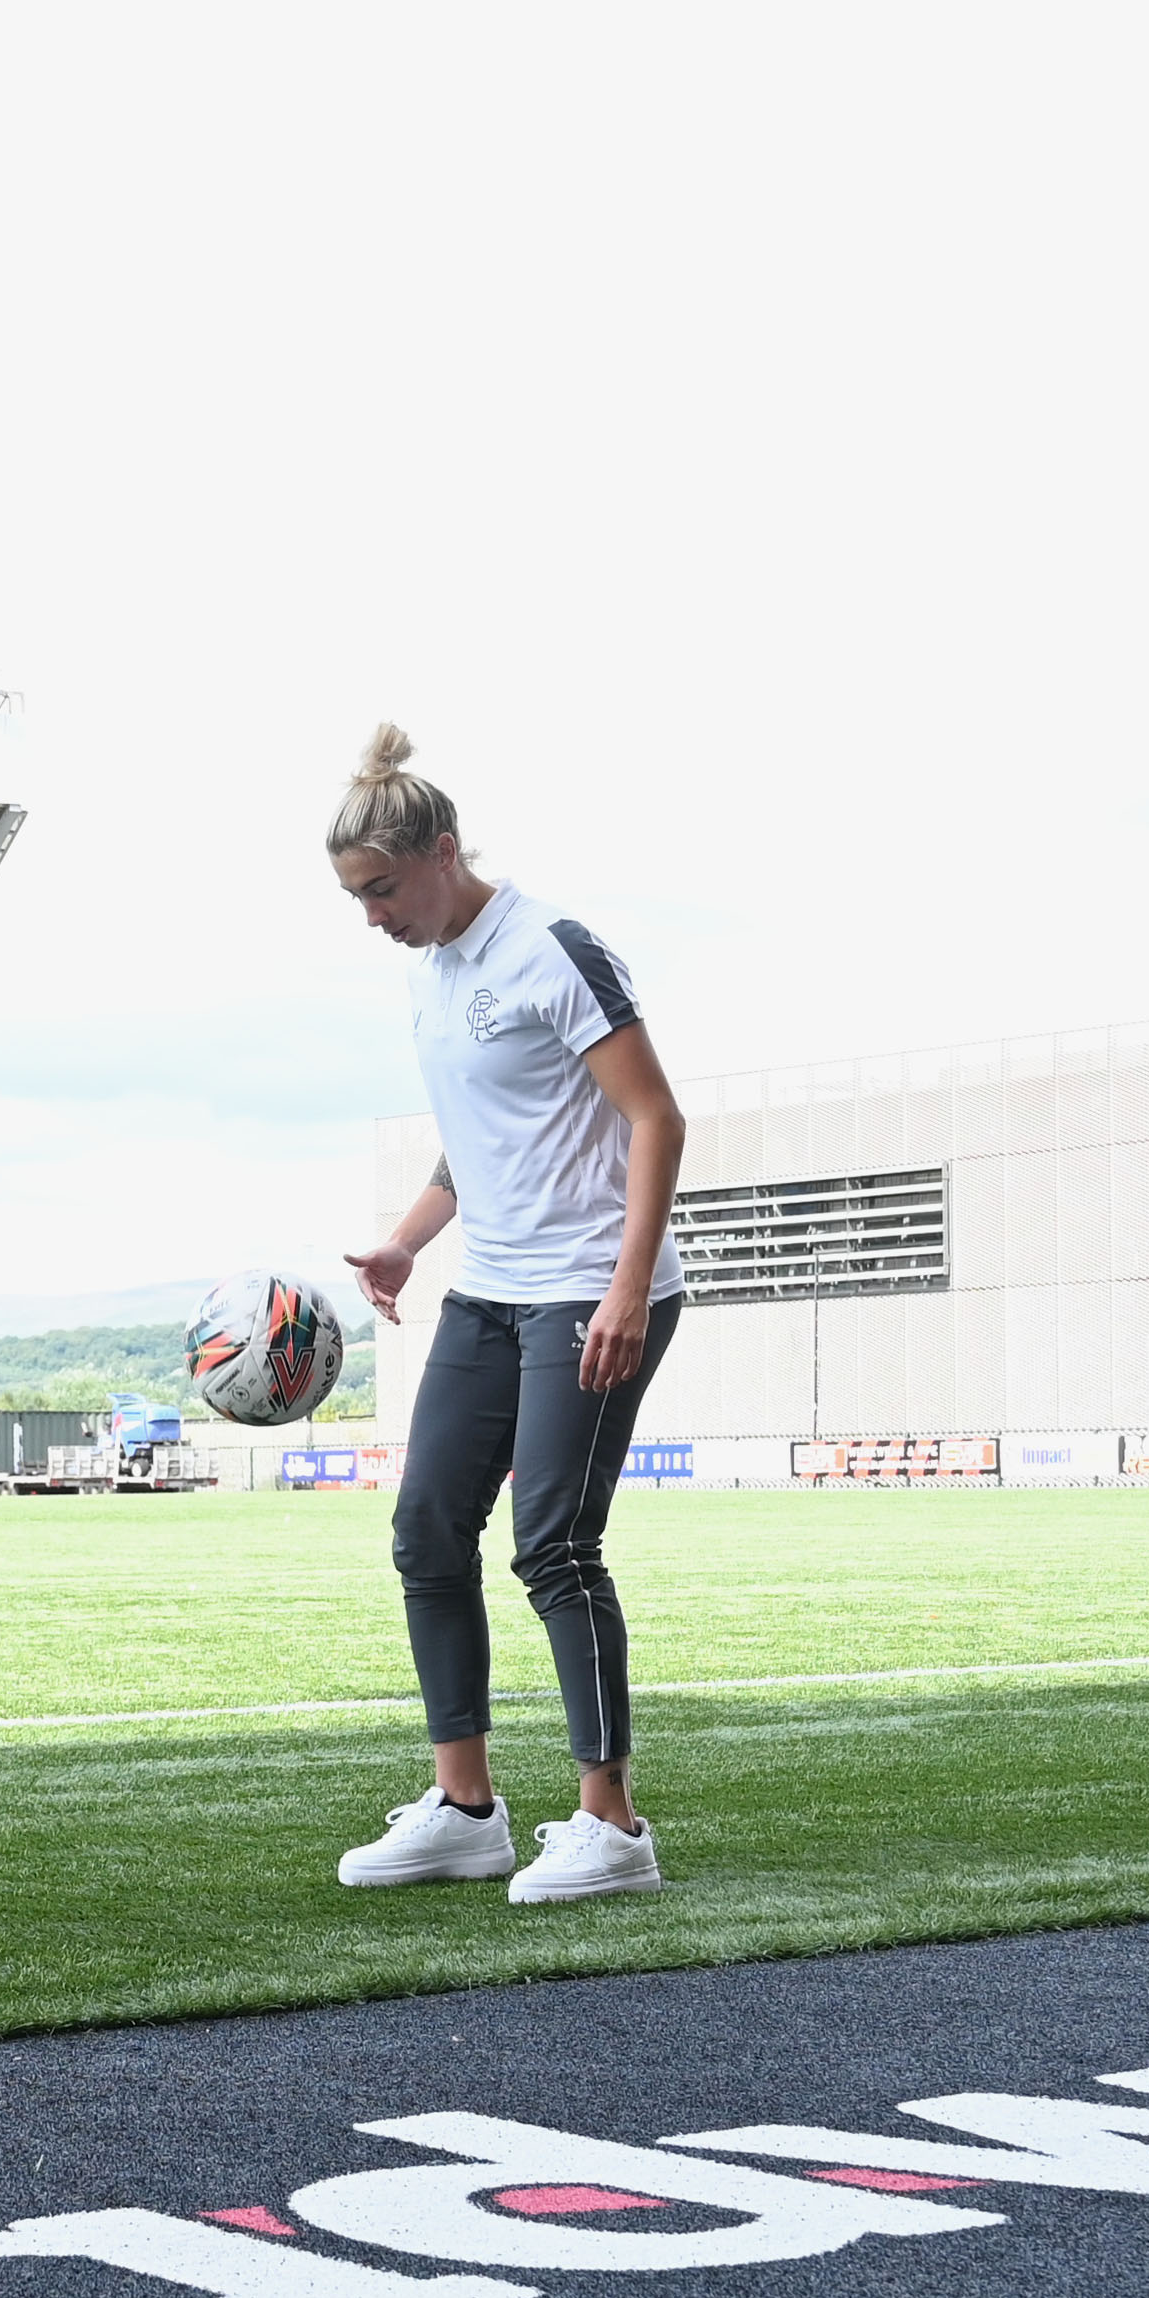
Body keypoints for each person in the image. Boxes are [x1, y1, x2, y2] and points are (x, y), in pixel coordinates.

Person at [323, 724, 688, 1905]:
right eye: (356, 899)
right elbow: (482, 1142)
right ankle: (467, 1809)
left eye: (382, 889)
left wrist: (626, 1289)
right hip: (490, 1288)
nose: (373, 917)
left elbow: (654, 1119)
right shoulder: (431, 972)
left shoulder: (549, 948)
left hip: (588, 1286)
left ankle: (612, 1826)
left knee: (553, 1547)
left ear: (439, 852)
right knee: (428, 1530)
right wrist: (404, 1241)